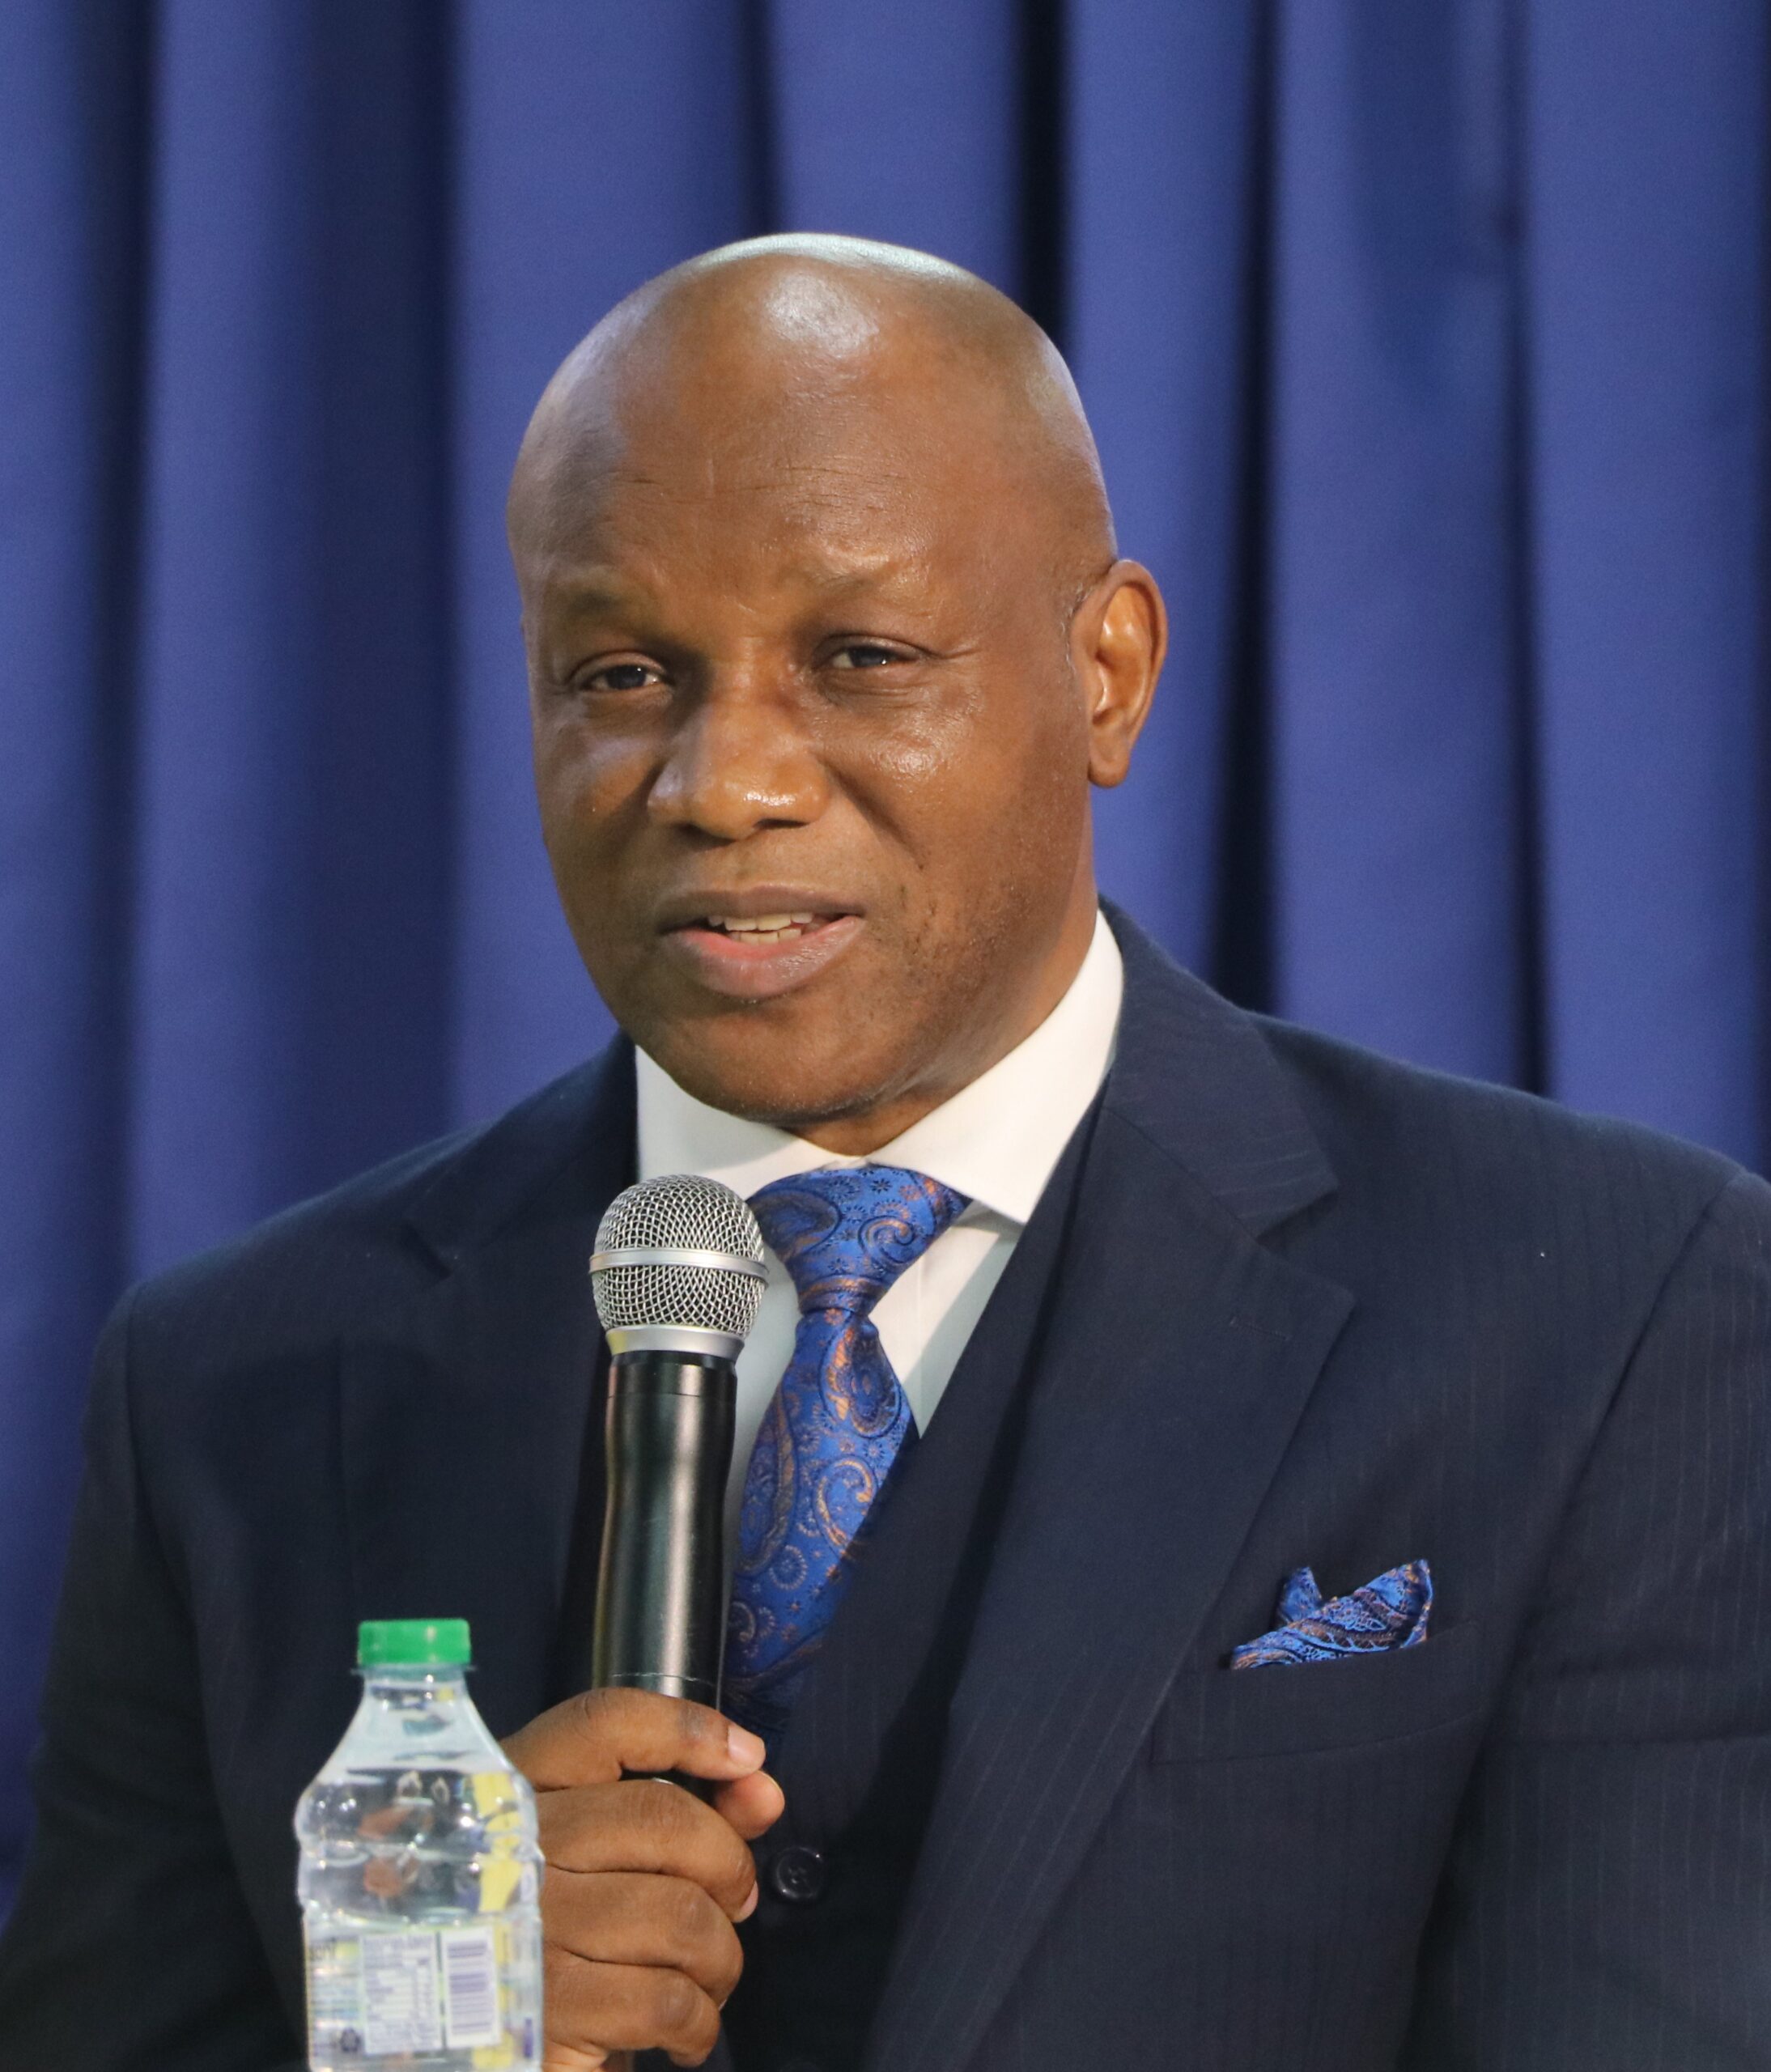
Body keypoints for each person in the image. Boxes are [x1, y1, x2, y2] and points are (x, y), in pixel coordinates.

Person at [1, 234, 1767, 2072]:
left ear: (1107, 673)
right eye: (622, 672)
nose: (723, 781)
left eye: (858, 658)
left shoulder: (1609, 1315)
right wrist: (403, 2026)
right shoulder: (235, 1386)